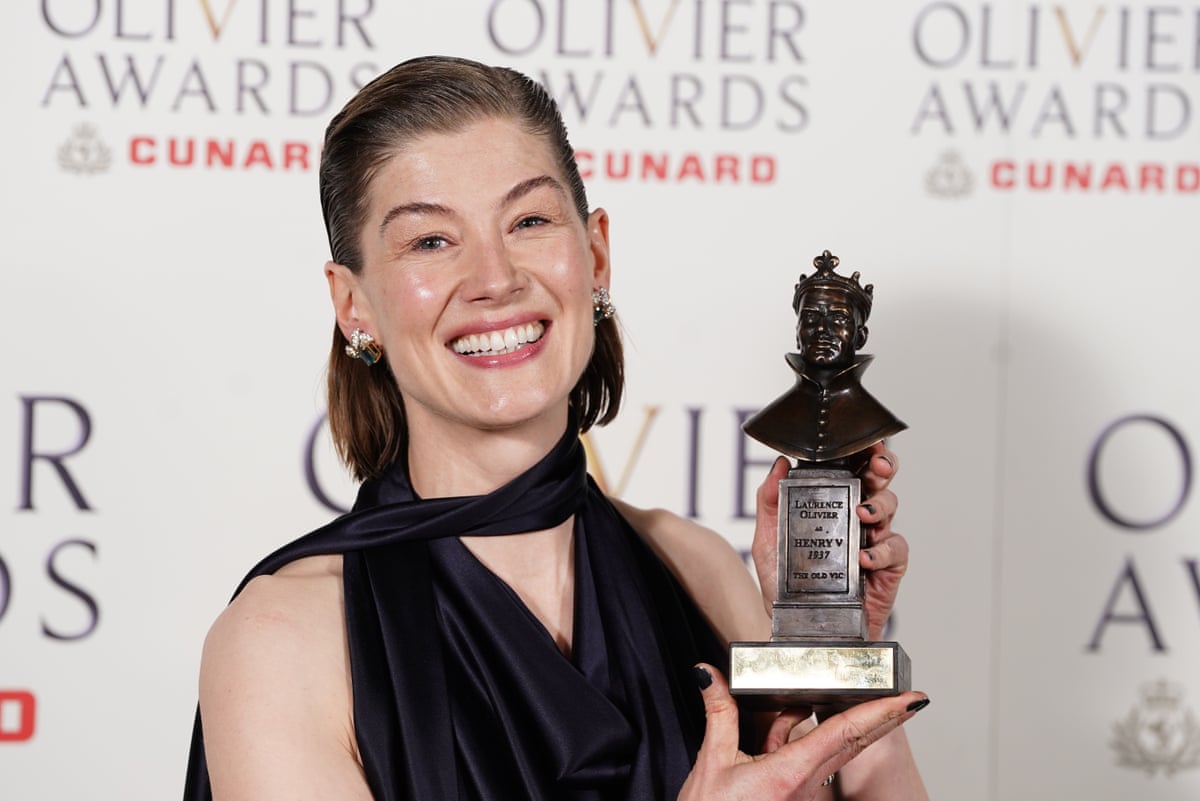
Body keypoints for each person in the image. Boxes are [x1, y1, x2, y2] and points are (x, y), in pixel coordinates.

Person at [183, 56, 929, 801]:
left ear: (596, 253)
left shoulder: (696, 569)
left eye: (530, 221)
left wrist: (837, 658)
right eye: (431, 241)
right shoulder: (279, 642)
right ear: (354, 306)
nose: (496, 277)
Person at [742, 250, 907, 465]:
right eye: (810, 317)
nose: (821, 328)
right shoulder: (769, 422)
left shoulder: (876, 421)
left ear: (860, 336)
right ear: (797, 333)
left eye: (838, 318)